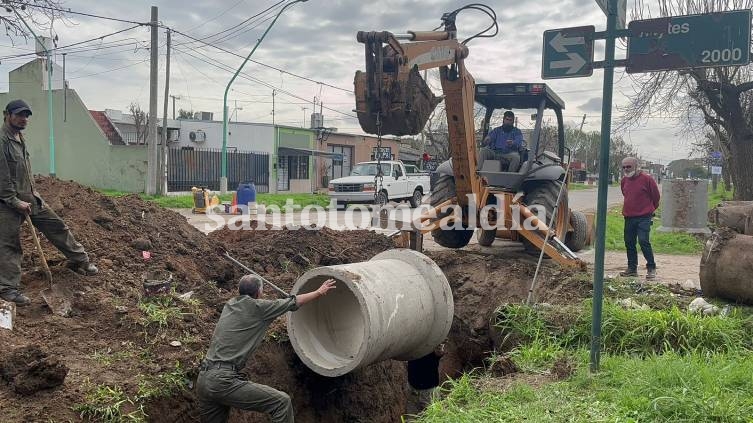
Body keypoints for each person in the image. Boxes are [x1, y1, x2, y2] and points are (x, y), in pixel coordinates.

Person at [197, 275, 336, 423]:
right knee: (281, 403)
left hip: (204, 379)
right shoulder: (259, 308)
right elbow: (294, 302)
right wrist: (319, 292)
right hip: (222, 381)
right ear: (258, 293)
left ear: (239, 291)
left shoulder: (230, 305)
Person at [0, 99, 98, 306]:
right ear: (6, 114)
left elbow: (23, 171)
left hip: (29, 197)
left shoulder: (19, 137)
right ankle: (8, 289)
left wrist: (32, 194)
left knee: (57, 227)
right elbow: (2, 177)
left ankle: (80, 261)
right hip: (6, 202)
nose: (23, 118)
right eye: (18, 114)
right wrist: (14, 201)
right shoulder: (1, 141)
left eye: (26, 115)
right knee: (9, 245)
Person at [620, 157, 660, 280]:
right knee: (629, 242)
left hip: (644, 217)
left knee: (643, 241)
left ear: (636, 166)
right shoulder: (624, 181)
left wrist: (649, 210)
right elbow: (625, 194)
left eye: (629, 166)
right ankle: (632, 268)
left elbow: (656, 197)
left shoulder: (647, 179)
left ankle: (651, 268)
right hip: (629, 217)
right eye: (624, 167)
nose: (626, 169)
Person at [406, 342, 445, 416]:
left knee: (433, 417)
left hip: (429, 391)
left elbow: (440, 352)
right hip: (413, 389)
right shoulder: (413, 340)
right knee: (412, 418)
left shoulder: (433, 339)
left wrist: (439, 350)